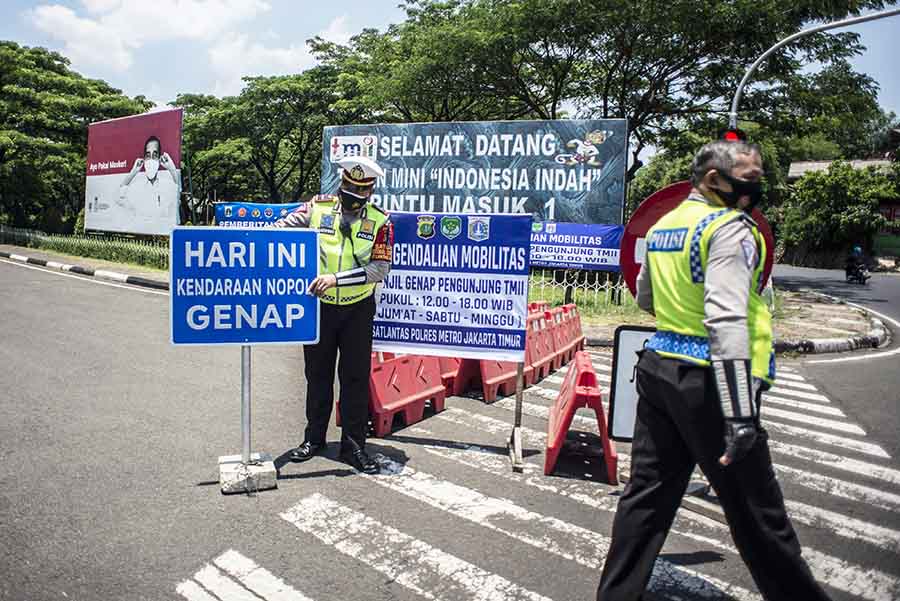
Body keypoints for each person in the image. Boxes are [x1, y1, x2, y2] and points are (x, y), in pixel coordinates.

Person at [596, 140, 831, 601]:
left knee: (646, 497)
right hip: (710, 380)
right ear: (712, 179)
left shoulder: (664, 227)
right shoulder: (729, 229)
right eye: (749, 177)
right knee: (758, 515)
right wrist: (740, 415)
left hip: (659, 367)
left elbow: (645, 298)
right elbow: (726, 318)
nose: (757, 185)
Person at [272, 155, 392, 475]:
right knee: (317, 375)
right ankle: (313, 439)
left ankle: (354, 447)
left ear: (370, 192)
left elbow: (380, 269)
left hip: (358, 309)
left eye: (360, 193)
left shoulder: (381, 222)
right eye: (348, 190)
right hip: (320, 308)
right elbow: (278, 230)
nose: (353, 198)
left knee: (354, 378)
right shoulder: (318, 208)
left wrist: (336, 279)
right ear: (341, 185)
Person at [117, 136, 180, 222]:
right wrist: (133, 172)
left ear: (159, 159)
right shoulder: (137, 187)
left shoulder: (166, 185)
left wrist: (172, 169)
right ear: (144, 160)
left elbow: (177, 196)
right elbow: (119, 197)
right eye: (148, 155)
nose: (151, 160)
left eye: (155, 155)